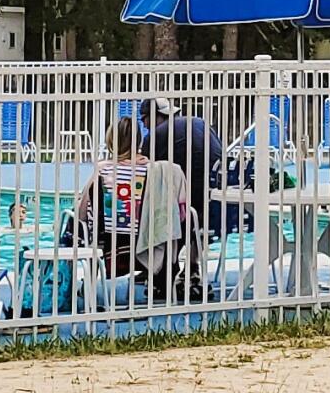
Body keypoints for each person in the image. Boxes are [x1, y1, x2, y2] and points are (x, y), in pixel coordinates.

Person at [61, 118, 199, 299]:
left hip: (111, 245)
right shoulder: (159, 172)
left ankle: (72, 286)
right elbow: (179, 215)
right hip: (151, 242)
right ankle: (169, 279)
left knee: (74, 224)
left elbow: (83, 212)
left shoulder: (103, 170)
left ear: (111, 141)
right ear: (139, 141)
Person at [142, 94, 238, 238]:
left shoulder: (156, 136)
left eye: (144, 119)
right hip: (216, 194)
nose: (144, 125)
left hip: (184, 201)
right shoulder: (200, 123)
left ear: (154, 116)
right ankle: (194, 255)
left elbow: (148, 172)